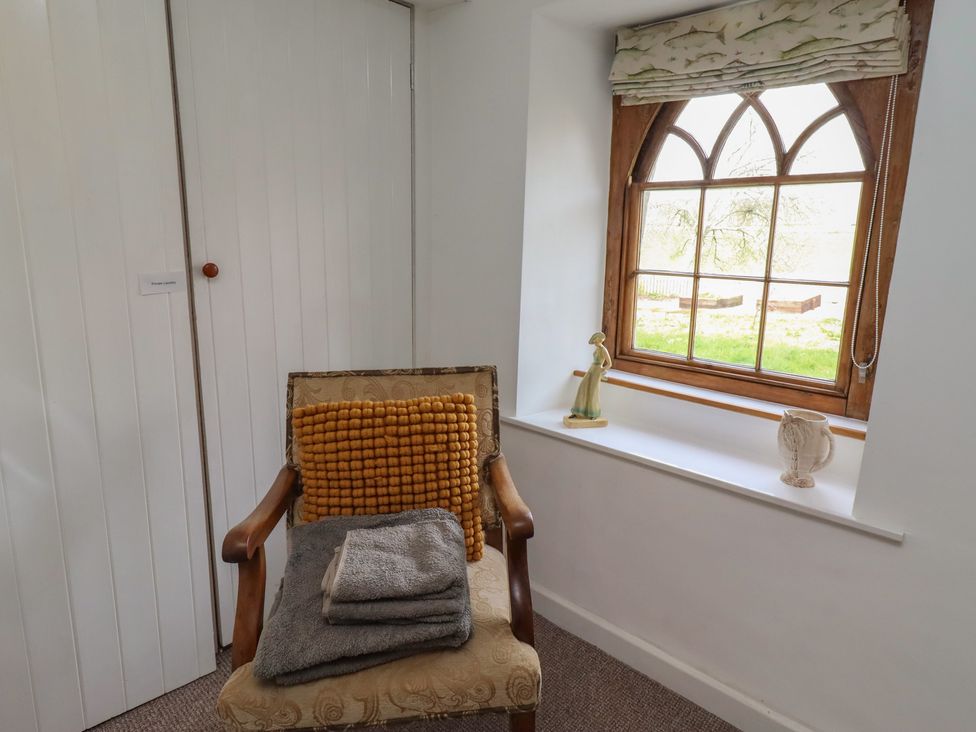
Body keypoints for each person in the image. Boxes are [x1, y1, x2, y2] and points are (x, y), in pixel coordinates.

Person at [569, 332, 611, 421]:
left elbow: (610, 364)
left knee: (593, 391)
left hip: (597, 370)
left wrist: (601, 370)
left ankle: (593, 413)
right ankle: (578, 411)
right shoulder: (597, 348)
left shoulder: (603, 349)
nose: (594, 341)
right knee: (582, 387)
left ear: (599, 339)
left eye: (595, 339)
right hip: (591, 368)